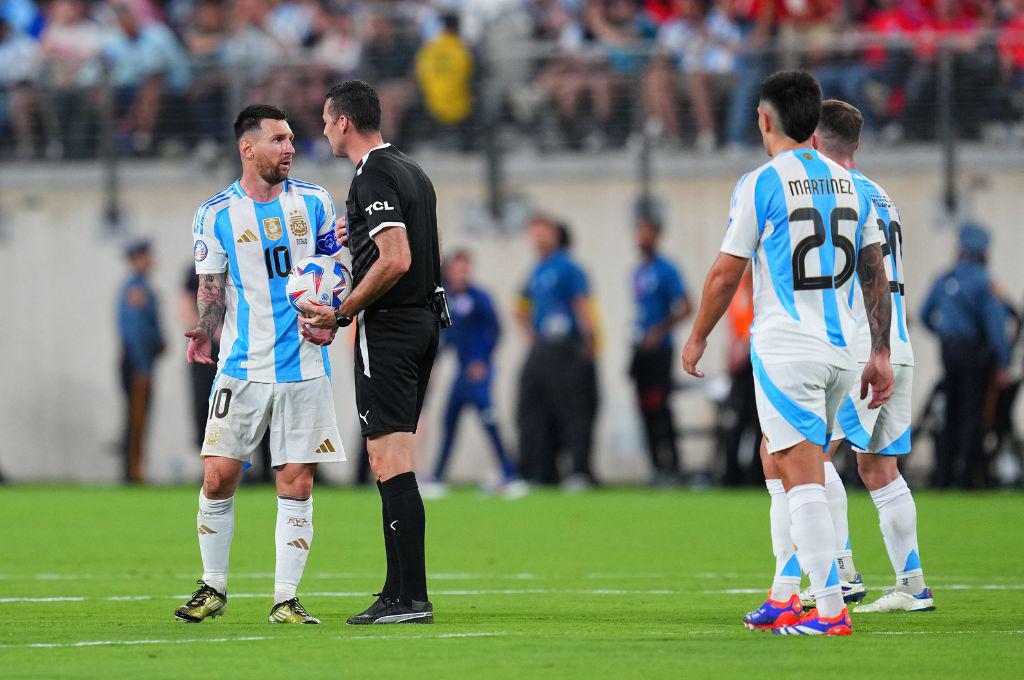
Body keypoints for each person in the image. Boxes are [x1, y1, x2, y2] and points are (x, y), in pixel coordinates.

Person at [681, 71, 894, 636]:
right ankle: (784, 594)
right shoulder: (854, 184)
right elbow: (875, 270)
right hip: (843, 350)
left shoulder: (761, 182)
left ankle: (826, 609)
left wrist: (699, 334)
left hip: (788, 349)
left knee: (802, 474)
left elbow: (728, 271)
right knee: (777, 457)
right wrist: (880, 351)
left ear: (765, 119)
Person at [175, 104, 346, 625]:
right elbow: (211, 286)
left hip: (304, 366)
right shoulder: (215, 213)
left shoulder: (314, 202)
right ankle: (213, 587)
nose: (290, 147)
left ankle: (285, 599)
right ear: (247, 148)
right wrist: (206, 332)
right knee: (218, 477)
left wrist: (330, 317)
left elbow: (327, 274)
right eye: (278, 139)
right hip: (241, 366)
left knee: (296, 482)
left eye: (292, 138)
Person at [302, 80, 443, 625]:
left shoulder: (373, 174)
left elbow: (398, 257)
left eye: (324, 119)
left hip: (390, 327)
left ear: (342, 122)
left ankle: (408, 599)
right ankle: (402, 592)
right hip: (425, 322)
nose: (322, 130)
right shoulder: (411, 169)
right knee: (396, 457)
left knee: (388, 461)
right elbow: (413, 246)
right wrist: (352, 236)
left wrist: (342, 312)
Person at [796, 99, 933, 614]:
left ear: (812, 139)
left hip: (861, 349)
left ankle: (841, 572)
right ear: (858, 143)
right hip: (897, 342)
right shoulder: (884, 196)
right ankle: (912, 584)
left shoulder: (837, 195)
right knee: (879, 468)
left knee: (810, 455)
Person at [424, 250, 524, 498]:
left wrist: (482, 361)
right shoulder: (444, 300)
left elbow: (495, 331)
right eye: (457, 268)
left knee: (489, 421)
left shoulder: (480, 298)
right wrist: (433, 364)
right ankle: (437, 477)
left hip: (479, 372)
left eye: (466, 268)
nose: (462, 273)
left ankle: (509, 474)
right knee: (449, 422)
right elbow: (445, 336)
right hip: (461, 373)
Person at [920, 224, 1013, 489]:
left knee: (950, 413)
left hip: (948, 354)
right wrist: (1004, 362)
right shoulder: (984, 282)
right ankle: (967, 478)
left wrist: (945, 335)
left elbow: (926, 315)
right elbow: (996, 327)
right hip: (974, 356)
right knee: (972, 415)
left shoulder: (945, 277)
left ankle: (944, 475)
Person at [515, 215, 599, 489]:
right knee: (534, 408)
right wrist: (533, 337)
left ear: (556, 234)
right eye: (534, 232)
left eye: (543, 231)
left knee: (574, 410)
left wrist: (589, 340)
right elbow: (520, 308)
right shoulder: (537, 270)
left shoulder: (569, 267)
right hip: (544, 348)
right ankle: (538, 472)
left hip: (568, 346)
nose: (538, 237)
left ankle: (578, 471)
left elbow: (581, 304)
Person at [629, 214, 691, 485]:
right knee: (644, 409)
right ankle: (656, 466)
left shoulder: (666, 269)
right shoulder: (637, 271)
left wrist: (659, 331)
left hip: (659, 351)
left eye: (646, 232)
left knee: (661, 406)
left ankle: (672, 466)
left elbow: (686, 306)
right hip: (640, 350)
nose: (641, 238)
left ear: (656, 235)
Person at [117, 240, 164, 484]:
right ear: (136, 259)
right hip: (138, 363)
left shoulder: (142, 287)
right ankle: (132, 471)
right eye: (145, 256)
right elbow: (135, 332)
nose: (150, 260)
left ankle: (134, 468)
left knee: (140, 416)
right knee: (136, 417)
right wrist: (142, 368)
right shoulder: (135, 290)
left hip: (143, 362)